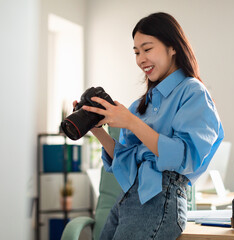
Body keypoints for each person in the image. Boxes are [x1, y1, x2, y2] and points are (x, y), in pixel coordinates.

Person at [78, 12, 224, 239]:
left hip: (160, 198)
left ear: (172, 47)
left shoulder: (192, 92)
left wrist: (132, 123)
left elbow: (184, 158)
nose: (140, 59)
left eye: (147, 49)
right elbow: (126, 161)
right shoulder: (140, 106)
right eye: (136, 52)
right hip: (127, 198)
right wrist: (96, 130)